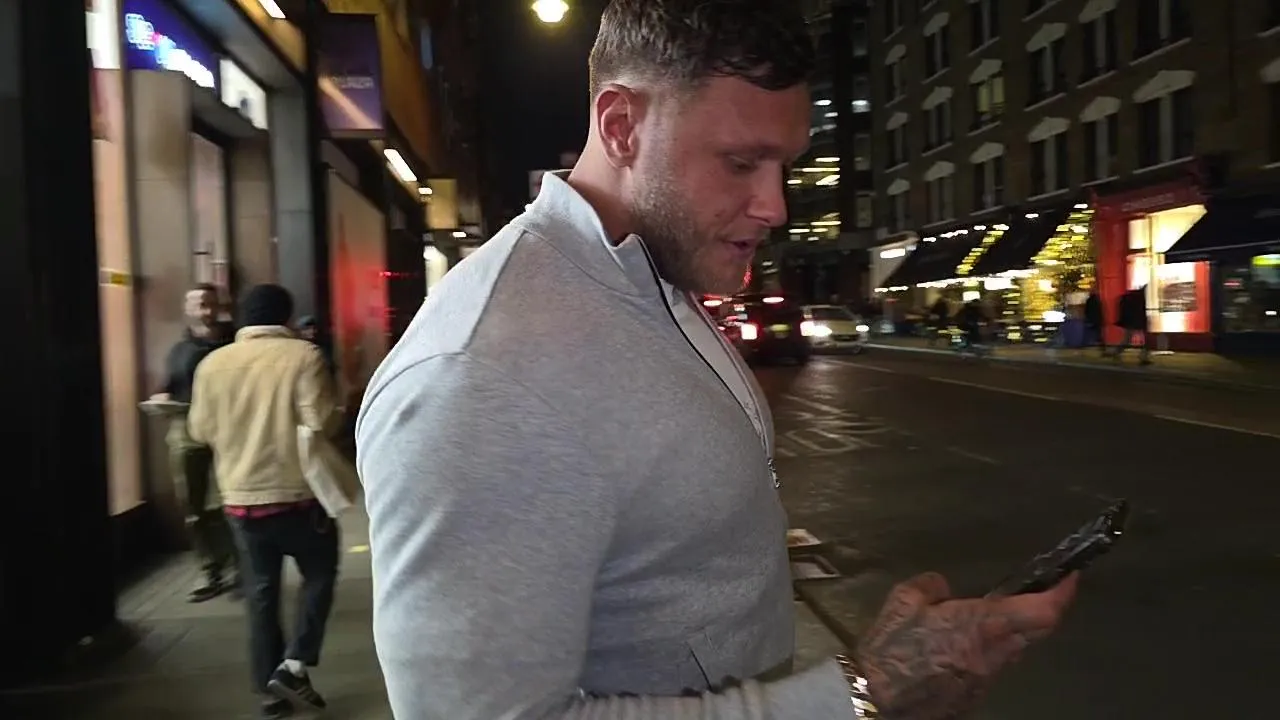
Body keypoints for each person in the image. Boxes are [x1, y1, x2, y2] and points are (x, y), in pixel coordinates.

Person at [356, 2, 1078, 718]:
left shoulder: (653, 273)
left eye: (783, 165)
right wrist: (863, 695)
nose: (775, 206)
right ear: (622, 126)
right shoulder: (478, 376)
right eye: (740, 163)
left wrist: (868, 674)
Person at [188, 284, 342, 719]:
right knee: (319, 576)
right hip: (299, 497)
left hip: (240, 499)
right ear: (286, 317)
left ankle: (269, 696)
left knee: (261, 594)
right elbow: (320, 420)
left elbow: (199, 430)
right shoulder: (304, 357)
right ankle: (294, 663)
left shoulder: (212, 364)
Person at [153, 283, 238, 602]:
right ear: (187, 309)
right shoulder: (180, 349)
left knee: (231, 500)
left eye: (209, 303)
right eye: (197, 304)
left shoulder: (233, 344)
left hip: (227, 430)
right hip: (185, 429)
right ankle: (209, 568)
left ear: (219, 306)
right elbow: (169, 385)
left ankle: (239, 566)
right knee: (192, 504)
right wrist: (162, 397)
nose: (204, 309)